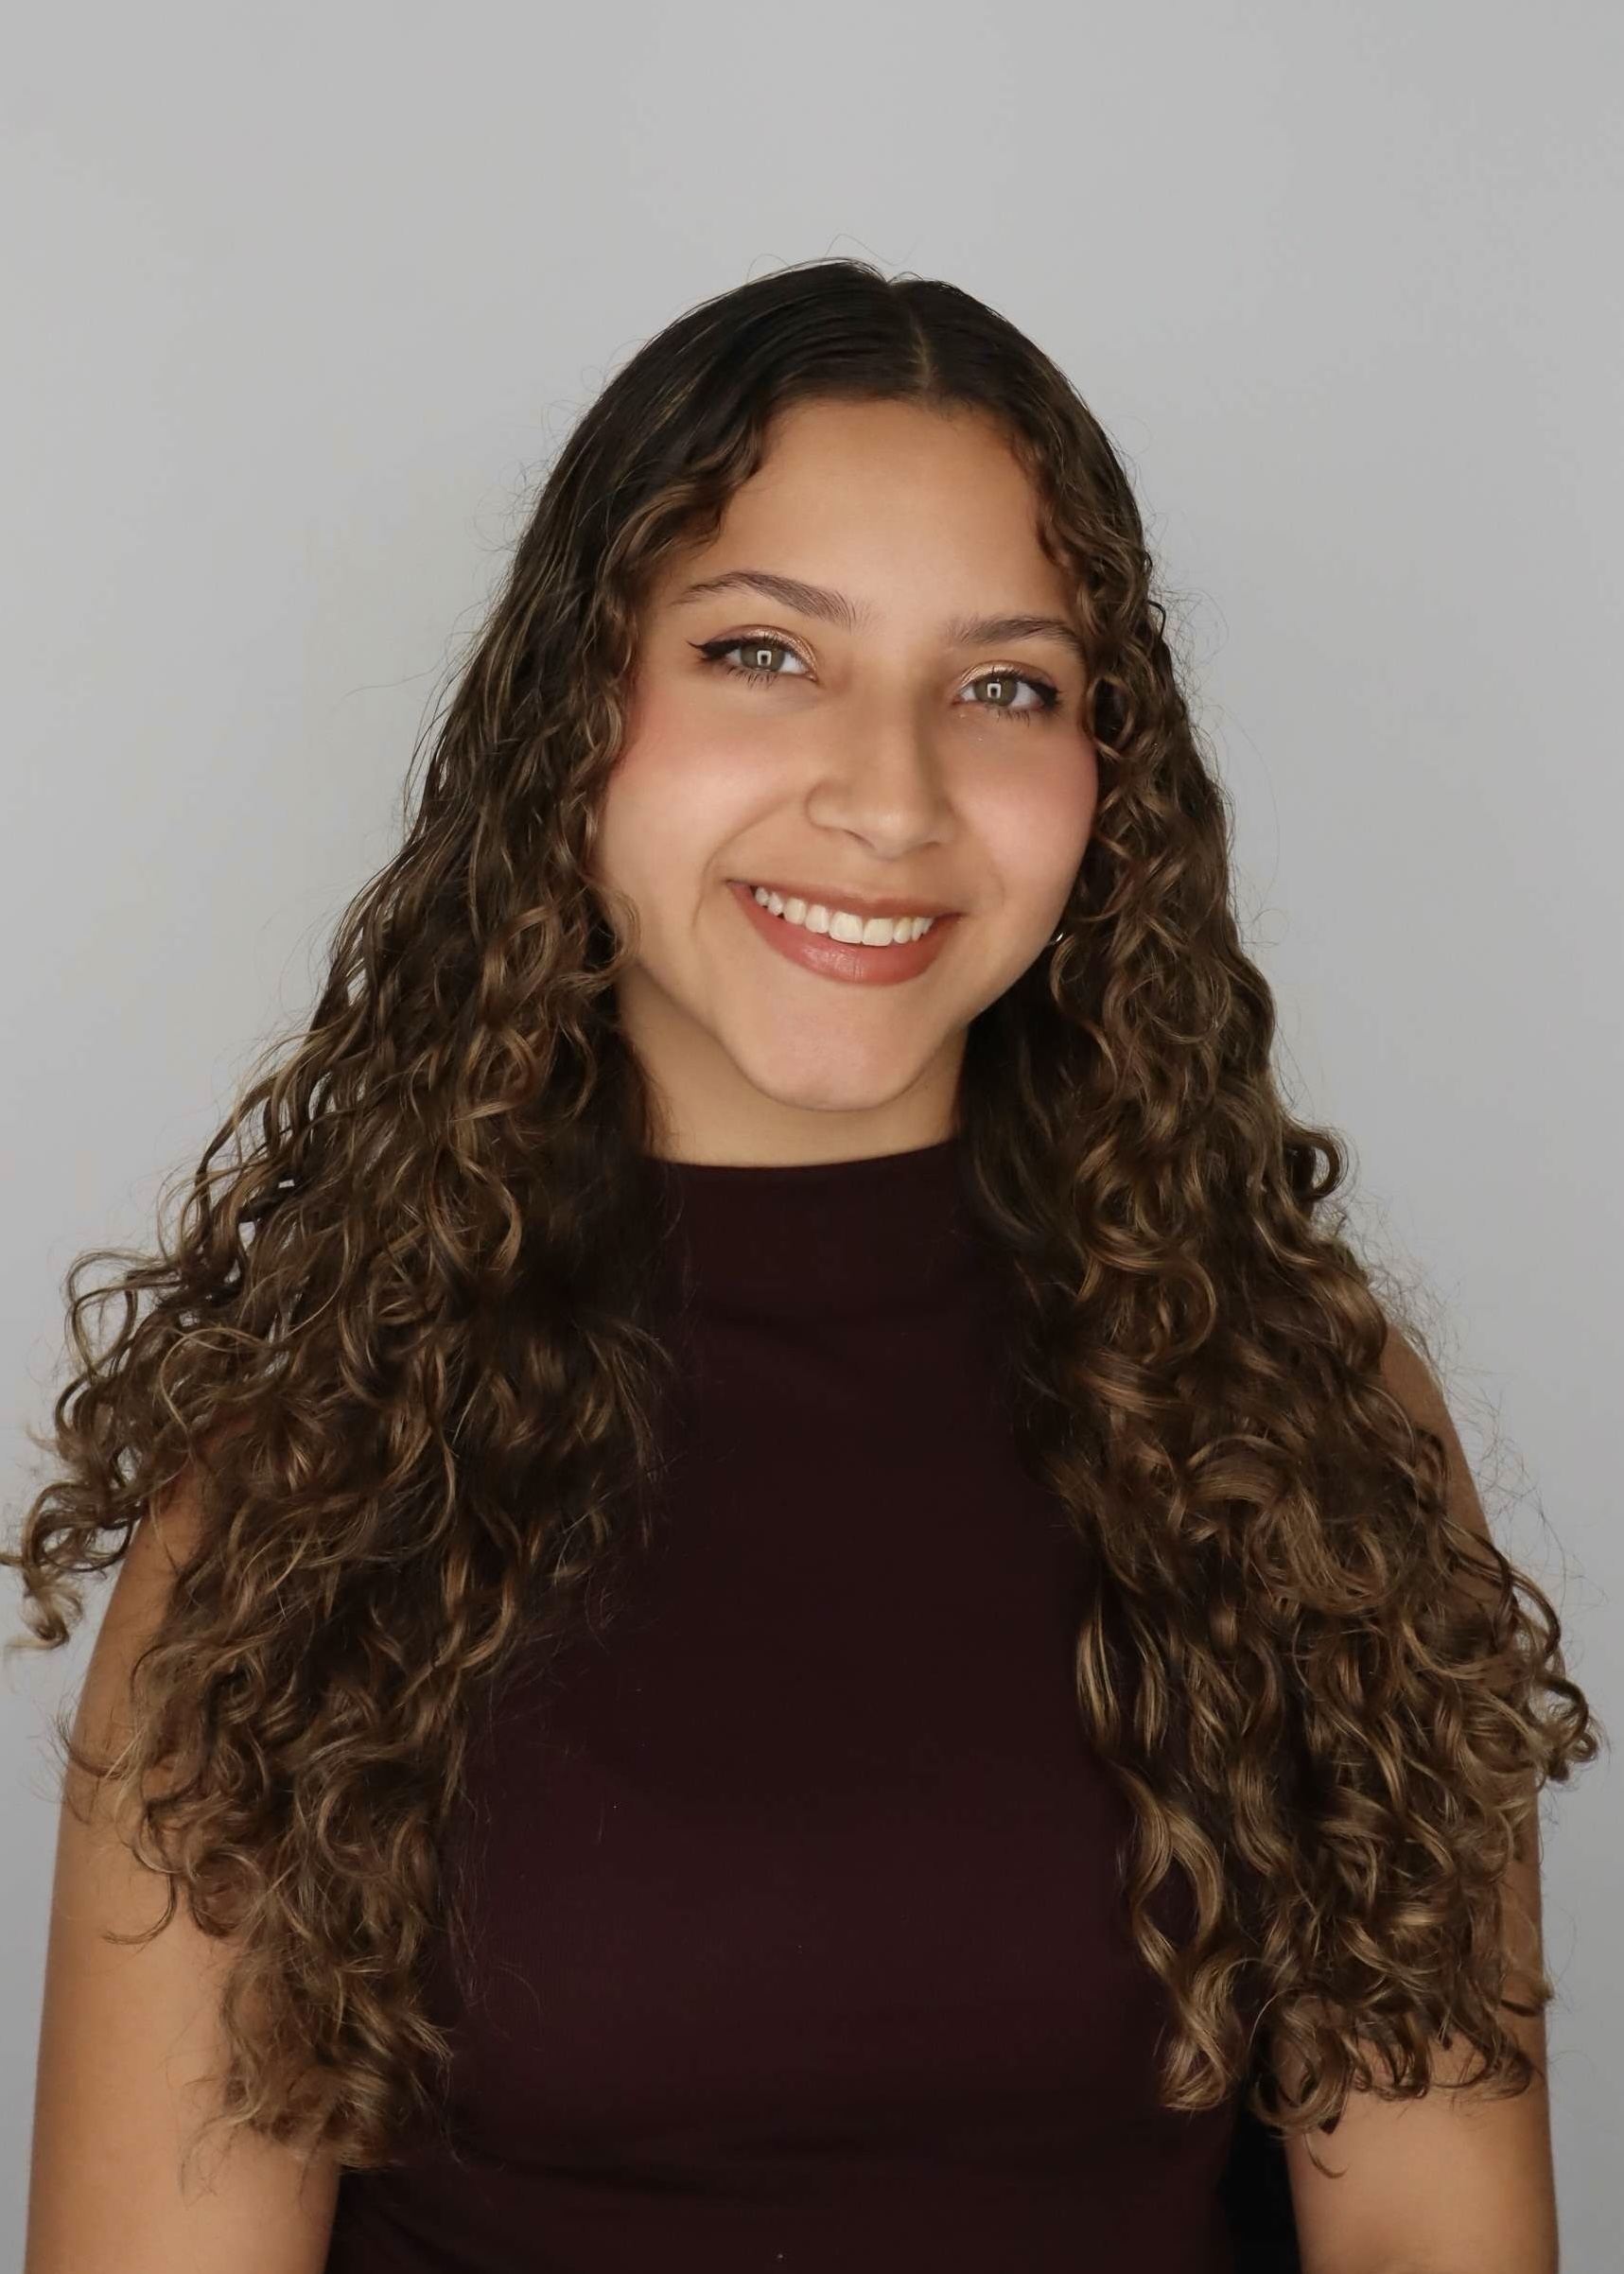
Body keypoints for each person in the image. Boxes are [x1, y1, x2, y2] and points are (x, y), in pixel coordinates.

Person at [10, 258, 1598, 2274]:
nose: (888, 797)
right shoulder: (308, 1468)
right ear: (573, 713)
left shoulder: (1295, 1417)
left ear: (1111, 779)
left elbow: (1428, 2244)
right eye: (762, 653)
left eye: (1005, 686)